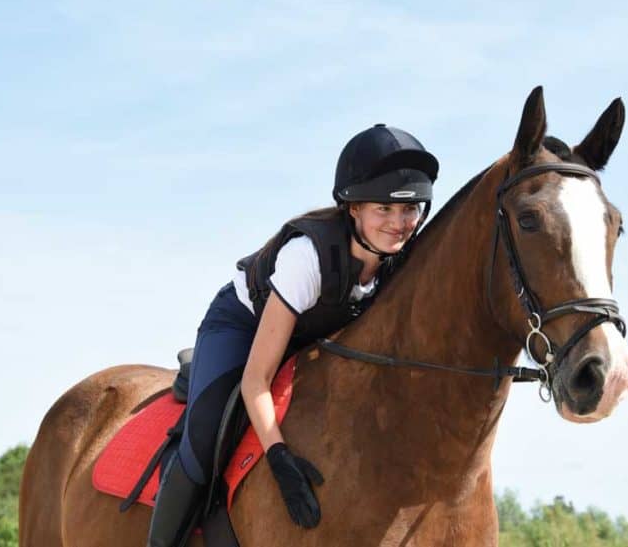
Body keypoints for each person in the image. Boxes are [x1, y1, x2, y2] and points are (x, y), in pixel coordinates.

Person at [147, 124, 439, 547]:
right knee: (203, 440)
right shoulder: (307, 259)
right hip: (244, 329)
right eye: (384, 209)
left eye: (411, 209)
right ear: (352, 208)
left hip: (315, 336)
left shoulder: (401, 258)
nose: (400, 223)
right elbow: (256, 381)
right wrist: (279, 457)